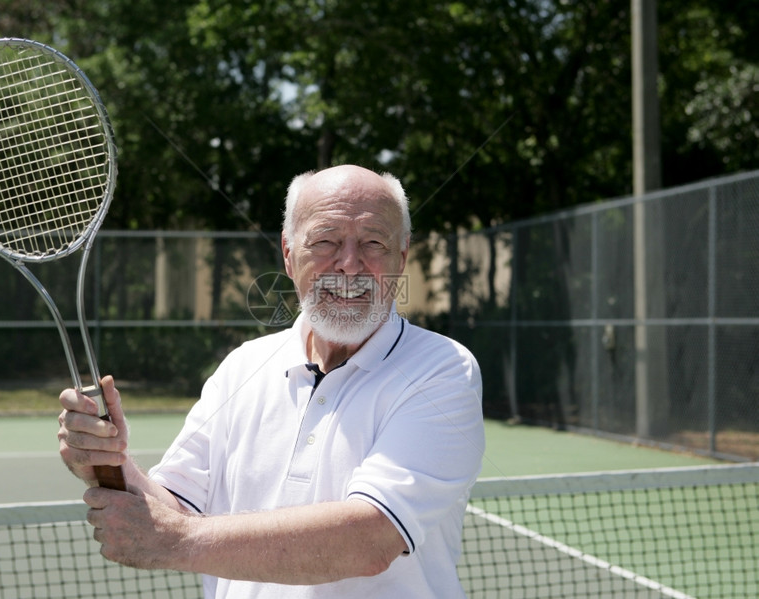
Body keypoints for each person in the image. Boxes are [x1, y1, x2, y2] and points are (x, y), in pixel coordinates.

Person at [58, 164, 485, 598]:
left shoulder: (443, 370)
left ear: (402, 257)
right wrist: (109, 459)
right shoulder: (242, 367)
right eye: (325, 241)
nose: (349, 264)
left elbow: (370, 539)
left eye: (374, 242)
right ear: (287, 252)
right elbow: (173, 507)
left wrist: (178, 540)